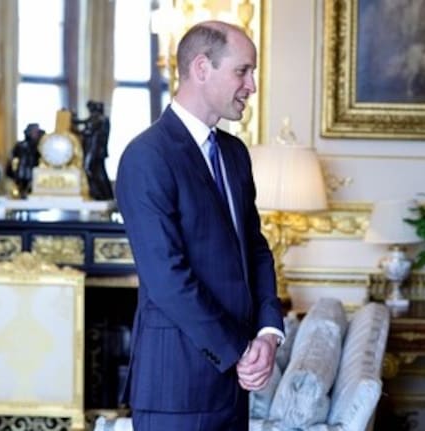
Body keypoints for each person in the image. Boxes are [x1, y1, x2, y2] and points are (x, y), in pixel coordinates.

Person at [115, 21, 283, 431]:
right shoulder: (146, 156)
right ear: (202, 67)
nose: (252, 86)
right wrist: (240, 350)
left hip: (233, 389)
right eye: (242, 71)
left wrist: (267, 331)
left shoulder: (235, 153)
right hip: (176, 389)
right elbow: (167, 279)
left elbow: (255, 249)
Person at [76, 100, 114, 200]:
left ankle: (102, 194)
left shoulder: (99, 119)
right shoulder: (99, 118)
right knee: (97, 172)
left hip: (96, 152)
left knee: (93, 171)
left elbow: (87, 130)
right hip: (96, 151)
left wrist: (76, 128)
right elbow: (85, 123)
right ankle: (102, 194)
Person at [6, 123, 43, 198]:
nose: (35, 134)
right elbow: (12, 159)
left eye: (36, 132)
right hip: (21, 174)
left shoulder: (39, 146)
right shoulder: (20, 145)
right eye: (34, 131)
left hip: (34, 175)